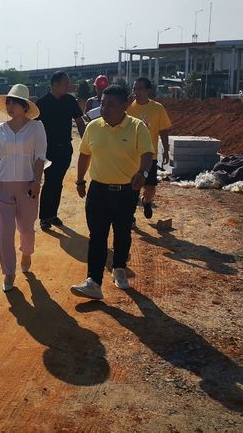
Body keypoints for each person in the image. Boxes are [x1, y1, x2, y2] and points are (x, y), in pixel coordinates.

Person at [70, 85, 153, 300]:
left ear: (124, 106)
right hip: (98, 190)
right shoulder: (94, 127)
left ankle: (119, 268)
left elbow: (147, 154)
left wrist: (143, 173)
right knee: (97, 235)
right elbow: (84, 155)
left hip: (126, 191)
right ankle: (93, 282)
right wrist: (80, 180)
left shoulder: (137, 127)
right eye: (102, 104)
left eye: (111, 105)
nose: (104, 109)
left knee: (122, 233)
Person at [0, 84, 47, 292]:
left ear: (25, 106)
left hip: (27, 185)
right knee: (4, 231)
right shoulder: (0, 129)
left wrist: (36, 181)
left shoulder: (36, 128)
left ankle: (26, 252)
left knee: (26, 229)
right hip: (3, 184)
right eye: (8, 102)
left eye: (14, 102)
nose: (10, 106)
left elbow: (40, 158)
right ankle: (9, 272)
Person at [35, 71, 86, 230]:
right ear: (55, 84)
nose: (68, 86)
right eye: (66, 83)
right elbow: (33, 127)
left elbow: (79, 121)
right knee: (50, 181)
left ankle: (53, 214)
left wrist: (86, 142)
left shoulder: (69, 101)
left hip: (65, 149)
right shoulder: (42, 103)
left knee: (58, 182)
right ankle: (44, 216)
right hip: (47, 150)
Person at [127, 77, 172, 219]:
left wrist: (166, 150)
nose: (136, 91)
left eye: (140, 88)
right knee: (131, 189)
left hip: (149, 156)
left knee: (150, 188)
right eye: (134, 88)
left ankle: (146, 201)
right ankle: (130, 217)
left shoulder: (157, 108)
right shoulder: (128, 107)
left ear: (148, 90)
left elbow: (163, 130)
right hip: (131, 156)